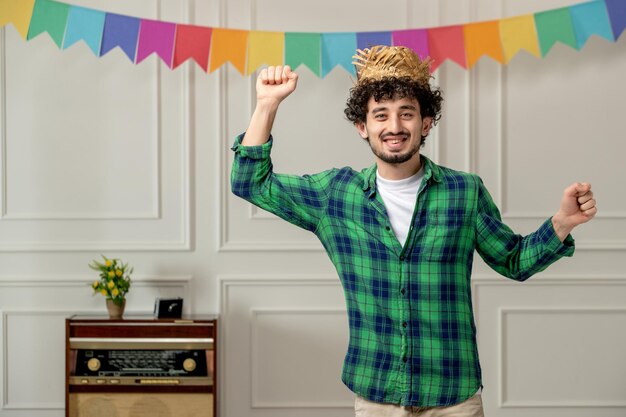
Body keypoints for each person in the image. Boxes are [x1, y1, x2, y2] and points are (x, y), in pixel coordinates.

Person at [230, 45, 597, 417]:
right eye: (381, 115)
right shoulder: (335, 195)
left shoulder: (463, 192)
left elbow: (514, 260)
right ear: (363, 126)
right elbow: (250, 183)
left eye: (407, 114)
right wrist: (267, 104)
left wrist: (562, 223)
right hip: (376, 395)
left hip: (453, 396)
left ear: (425, 123)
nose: (394, 127)